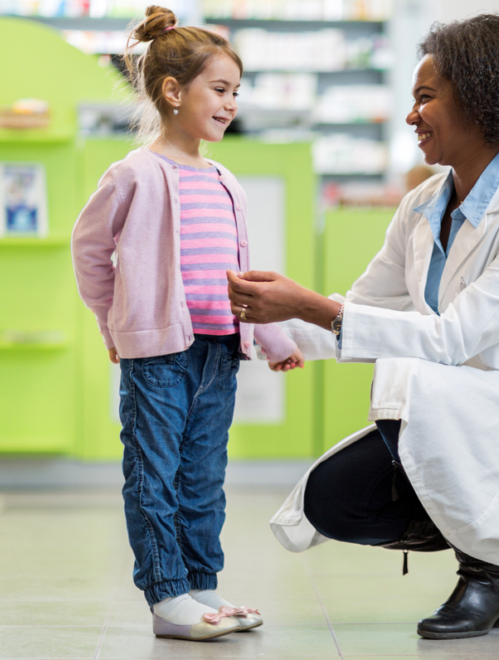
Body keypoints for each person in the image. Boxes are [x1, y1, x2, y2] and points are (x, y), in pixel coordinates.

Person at [227, 14, 499, 640]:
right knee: (333, 499)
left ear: (483, 100)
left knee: (410, 380)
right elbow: (366, 307)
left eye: (425, 97)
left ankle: (490, 570)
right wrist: (256, 333)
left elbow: (450, 340)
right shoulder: (420, 206)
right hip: (459, 404)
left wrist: (306, 306)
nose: (411, 116)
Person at [71, 6, 303, 642]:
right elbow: (89, 251)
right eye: (220, 90)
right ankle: (167, 595)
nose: (231, 104)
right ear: (173, 92)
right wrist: (113, 325)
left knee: (203, 476)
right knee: (155, 475)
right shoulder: (134, 174)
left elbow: (240, 274)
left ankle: (201, 585)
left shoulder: (226, 180)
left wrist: (272, 336)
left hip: (220, 351)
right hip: (158, 356)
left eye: (236, 93)